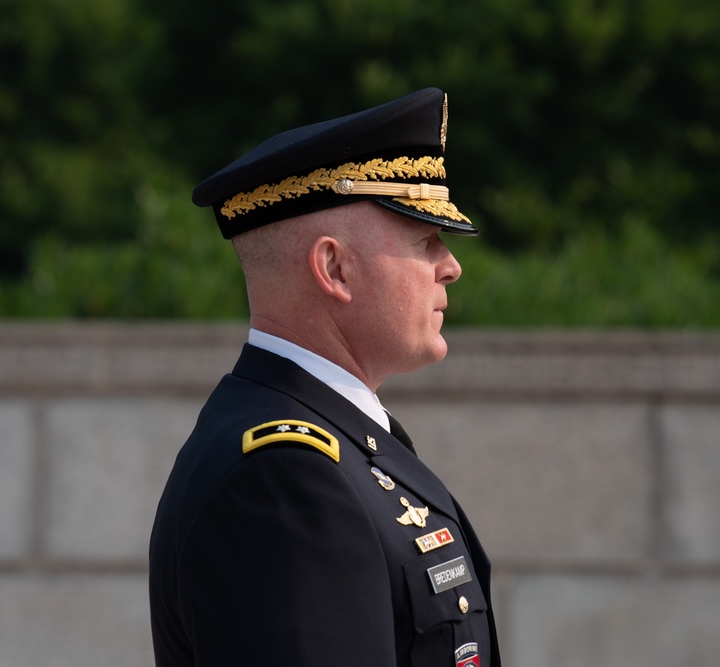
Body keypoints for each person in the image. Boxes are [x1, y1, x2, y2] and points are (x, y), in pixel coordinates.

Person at [149, 88, 500, 667]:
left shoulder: (330, 444)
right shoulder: (284, 477)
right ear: (334, 267)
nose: (451, 266)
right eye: (425, 240)